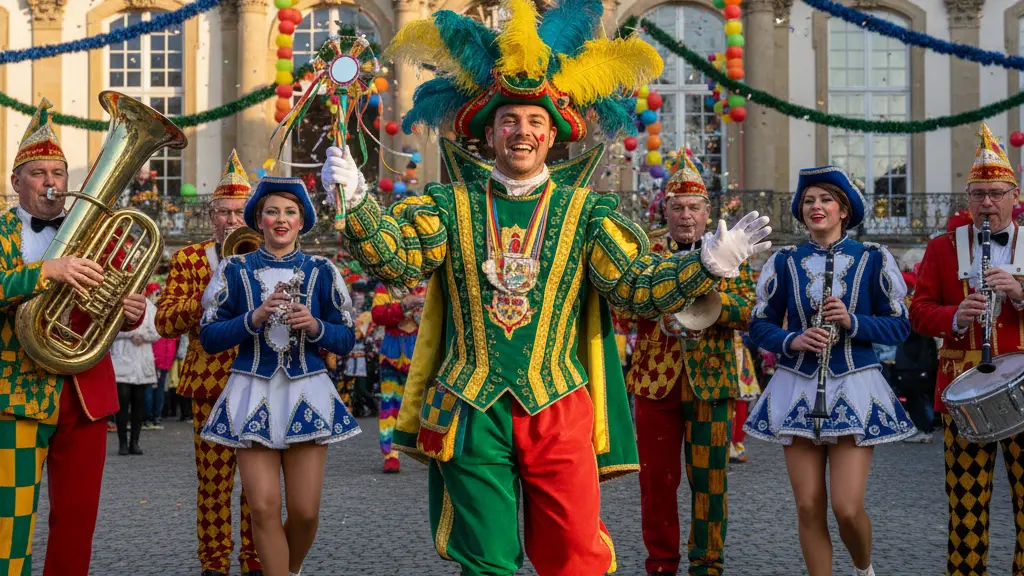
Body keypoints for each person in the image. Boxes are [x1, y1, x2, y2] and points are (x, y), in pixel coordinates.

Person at [321, 1, 772, 572]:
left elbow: (636, 287)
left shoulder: (586, 213)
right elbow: (398, 260)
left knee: (574, 557)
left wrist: (707, 265)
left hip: (557, 404)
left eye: (535, 121)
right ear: (490, 132)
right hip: (470, 404)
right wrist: (359, 205)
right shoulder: (449, 205)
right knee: (486, 561)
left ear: (553, 133)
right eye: (509, 120)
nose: (523, 132)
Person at [0, 98, 147, 575]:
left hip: (85, 394)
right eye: (38, 173)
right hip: (16, 393)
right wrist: (46, 271)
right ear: (16, 182)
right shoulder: (1, 232)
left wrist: (129, 311)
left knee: (77, 523)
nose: (51, 182)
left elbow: (117, 297)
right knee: (9, 523)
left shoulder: (99, 232)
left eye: (58, 173)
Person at [744, 165, 914, 576]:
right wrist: (792, 339)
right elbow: (760, 325)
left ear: (844, 210)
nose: (815, 206)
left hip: (855, 386)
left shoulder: (872, 258)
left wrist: (853, 321)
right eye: (808, 201)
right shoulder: (785, 260)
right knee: (807, 506)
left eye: (825, 200)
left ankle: (863, 569)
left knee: (846, 507)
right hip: (797, 387)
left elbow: (899, 325)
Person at [199, 176, 359, 576]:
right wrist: (252, 317)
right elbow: (210, 337)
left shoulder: (322, 270)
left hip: (307, 392)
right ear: (259, 220)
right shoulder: (234, 270)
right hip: (251, 390)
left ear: (301, 222)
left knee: (305, 512)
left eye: (290, 212)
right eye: (272, 212)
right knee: (263, 506)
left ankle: (290, 568)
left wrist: (316, 326)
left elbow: (345, 339)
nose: (281, 220)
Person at [625, 154, 756, 576]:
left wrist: (712, 310)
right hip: (654, 381)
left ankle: (707, 565)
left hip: (712, 380)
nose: (686, 215)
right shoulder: (646, 248)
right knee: (656, 482)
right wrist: (660, 308)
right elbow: (625, 303)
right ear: (664, 209)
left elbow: (750, 310)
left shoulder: (731, 248)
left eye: (694, 207)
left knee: (710, 482)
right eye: (678, 207)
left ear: (707, 212)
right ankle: (661, 564)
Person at [909, 123, 1024, 575]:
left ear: (1014, 196)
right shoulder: (942, 249)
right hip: (963, 392)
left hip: (1023, 390)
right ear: (967, 199)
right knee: (965, 508)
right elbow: (919, 313)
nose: (987, 203)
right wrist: (956, 316)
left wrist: (1019, 293)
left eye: (996, 193)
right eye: (978, 194)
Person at [155, 150, 263, 576]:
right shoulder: (189, 259)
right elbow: (164, 321)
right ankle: (214, 563)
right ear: (210, 215)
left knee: (259, 485)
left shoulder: (268, 255)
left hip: (261, 383)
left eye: (239, 212)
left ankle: (255, 559)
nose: (232, 221)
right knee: (213, 484)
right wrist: (205, 301)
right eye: (223, 212)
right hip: (209, 387)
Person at [371, 280, 424, 473]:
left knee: (428, 404)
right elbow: (377, 315)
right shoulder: (385, 286)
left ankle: (434, 451)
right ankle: (391, 454)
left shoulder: (429, 284)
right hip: (392, 355)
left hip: (422, 355)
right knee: (390, 404)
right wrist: (405, 304)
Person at [112, 288, 160, 455]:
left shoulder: (150, 307)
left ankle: (135, 442)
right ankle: (122, 443)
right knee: (122, 406)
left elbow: (157, 331)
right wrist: (132, 334)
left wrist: (143, 336)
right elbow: (112, 329)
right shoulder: (121, 303)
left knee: (139, 407)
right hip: (122, 362)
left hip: (141, 363)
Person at [893, 271, 937, 443]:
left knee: (916, 398)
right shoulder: (908, 306)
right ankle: (923, 427)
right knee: (914, 397)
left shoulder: (912, 308)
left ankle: (924, 428)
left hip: (913, 363)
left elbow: (915, 338)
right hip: (909, 362)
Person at [143, 282, 170, 429]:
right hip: (157, 356)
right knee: (153, 388)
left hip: (159, 356)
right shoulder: (157, 309)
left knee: (155, 388)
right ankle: (152, 417)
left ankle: (153, 417)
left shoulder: (154, 309)